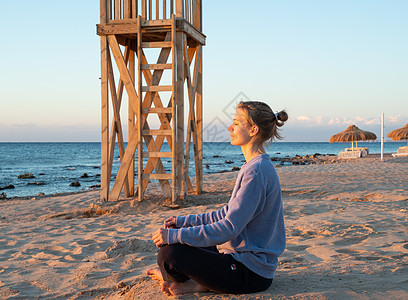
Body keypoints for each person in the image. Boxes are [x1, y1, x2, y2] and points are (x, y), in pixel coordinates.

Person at [147, 101, 288, 297]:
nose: (230, 127)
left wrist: (175, 236)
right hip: (237, 256)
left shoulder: (256, 172)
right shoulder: (254, 166)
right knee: (174, 244)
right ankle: (191, 281)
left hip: (250, 272)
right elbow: (226, 213)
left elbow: (229, 227)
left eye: (237, 123)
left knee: (170, 254)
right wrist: (183, 223)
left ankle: (195, 284)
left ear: (253, 129)